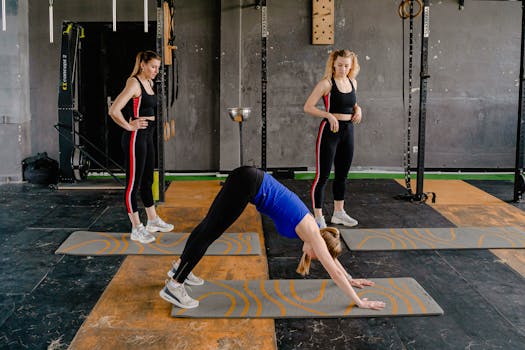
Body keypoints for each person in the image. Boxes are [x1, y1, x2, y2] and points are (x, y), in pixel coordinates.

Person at [159, 166, 385, 311]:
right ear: (320, 247)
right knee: (209, 232)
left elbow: (333, 262)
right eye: (320, 256)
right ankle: (175, 285)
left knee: (208, 227)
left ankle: (180, 269)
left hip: (248, 178)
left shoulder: (315, 231)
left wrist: (351, 277)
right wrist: (359, 301)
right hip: (248, 183)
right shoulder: (314, 234)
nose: (317, 259)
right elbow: (332, 270)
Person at [108, 50, 173, 244]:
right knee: (132, 185)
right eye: (153, 67)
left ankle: (152, 220)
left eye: (158, 68)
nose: (156, 71)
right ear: (143, 65)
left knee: (147, 182)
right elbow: (114, 110)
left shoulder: (149, 83)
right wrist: (129, 125)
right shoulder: (134, 83)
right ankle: (136, 227)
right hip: (135, 137)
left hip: (147, 137)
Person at [304, 49, 362, 229]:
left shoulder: (353, 82)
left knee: (342, 176)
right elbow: (308, 107)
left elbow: (351, 104)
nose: (343, 69)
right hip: (330, 131)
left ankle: (339, 213)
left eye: (346, 65)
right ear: (333, 64)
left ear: (351, 66)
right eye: (339, 65)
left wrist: (358, 109)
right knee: (322, 176)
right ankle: (319, 217)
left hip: (348, 131)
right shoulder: (326, 83)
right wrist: (328, 115)